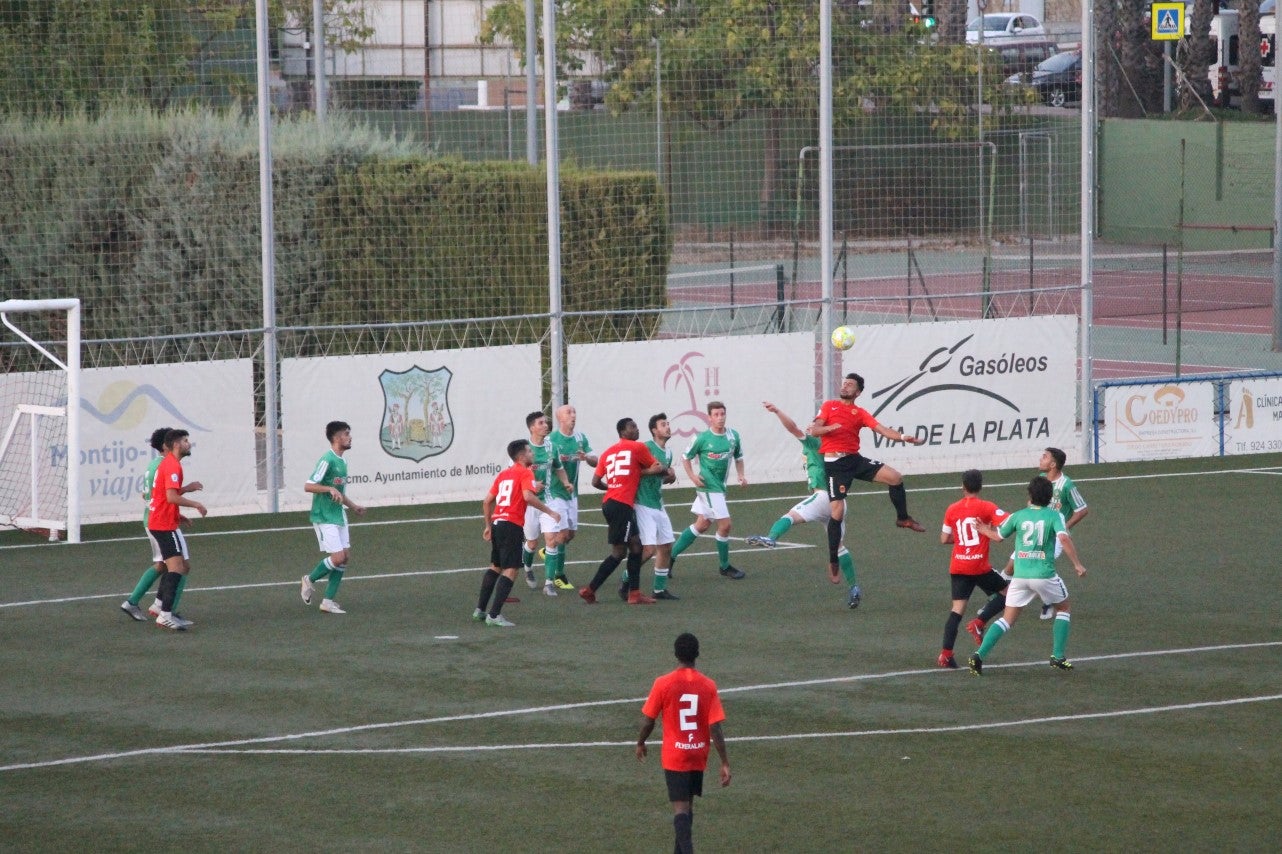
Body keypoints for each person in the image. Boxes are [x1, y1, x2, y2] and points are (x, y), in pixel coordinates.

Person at [809, 372, 926, 583]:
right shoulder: (829, 406)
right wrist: (829, 428)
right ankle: (833, 560)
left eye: (850, 384)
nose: (845, 386)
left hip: (854, 460)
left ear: (858, 392)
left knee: (895, 477)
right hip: (835, 466)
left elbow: (881, 429)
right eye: (844, 383)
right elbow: (814, 430)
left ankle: (903, 518)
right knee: (837, 512)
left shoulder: (860, 412)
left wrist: (902, 437)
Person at [968, 476, 1087, 675]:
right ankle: (1057, 656)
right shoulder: (1054, 516)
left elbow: (998, 537)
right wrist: (1077, 564)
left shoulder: (1018, 515)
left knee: (1007, 619)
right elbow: (1064, 538)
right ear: (1050, 498)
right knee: (1064, 607)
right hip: (1043, 575)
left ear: (1030, 495)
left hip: (1020, 576)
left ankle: (978, 655)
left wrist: (983, 529)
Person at [746, 401, 862, 608]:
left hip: (824, 497)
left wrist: (778, 410)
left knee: (790, 516)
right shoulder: (833, 448)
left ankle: (771, 538)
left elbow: (793, 428)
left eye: (814, 426)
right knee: (838, 547)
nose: (811, 427)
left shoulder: (816, 443)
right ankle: (854, 587)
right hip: (839, 502)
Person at [636, 632, 731, 854]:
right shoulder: (708, 685)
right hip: (698, 754)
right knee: (687, 808)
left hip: (675, 756)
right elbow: (715, 727)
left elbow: (649, 720)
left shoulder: (663, 683)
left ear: (676, 654)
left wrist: (640, 742)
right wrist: (725, 762)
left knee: (680, 810)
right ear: (697, 654)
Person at [979, 446, 1090, 624]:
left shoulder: (1066, 485)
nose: (1040, 459)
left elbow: (1082, 509)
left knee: (1038, 567)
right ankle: (997, 598)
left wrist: (1065, 526)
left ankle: (1047, 601)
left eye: (1044, 457)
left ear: (1053, 464)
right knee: (1010, 567)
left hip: (1053, 537)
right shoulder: (1040, 480)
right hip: (1035, 530)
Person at [579, 417, 669, 604]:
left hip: (609, 503)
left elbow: (595, 482)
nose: (637, 430)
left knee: (634, 547)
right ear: (623, 432)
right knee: (621, 552)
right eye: (633, 427)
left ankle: (632, 593)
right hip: (622, 505)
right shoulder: (637, 448)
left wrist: (613, 487)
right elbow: (658, 467)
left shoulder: (607, 452)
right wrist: (637, 474)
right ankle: (592, 589)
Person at [121, 426, 203, 621]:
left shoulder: (153, 465)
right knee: (178, 565)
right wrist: (187, 492)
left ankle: (147, 605)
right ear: (168, 446)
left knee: (164, 564)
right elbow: (166, 495)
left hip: (154, 517)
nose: (184, 443)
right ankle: (165, 610)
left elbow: (148, 494)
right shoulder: (165, 465)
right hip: (160, 521)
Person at [476, 439, 561, 627]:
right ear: (522, 456)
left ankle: (480, 610)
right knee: (511, 569)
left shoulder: (504, 474)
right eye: (530, 451)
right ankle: (494, 615)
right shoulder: (526, 472)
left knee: (496, 566)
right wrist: (550, 512)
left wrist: (488, 525)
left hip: (498, 523)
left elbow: (487, 501)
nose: (533, 454)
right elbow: (527, 497)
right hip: (511, 525)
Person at [937, 469, 1009, 669]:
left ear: (963, 486)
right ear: (980, 486)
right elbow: (1008, 522)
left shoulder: (952, 509)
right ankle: (979, 622)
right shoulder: (987, 507)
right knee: (1008, 593)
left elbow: (944, 539)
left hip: (958, 564)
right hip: (978, 565)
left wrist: (961, 539)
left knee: (957, 610)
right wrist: (989, 531)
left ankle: (946, 655)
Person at [669, 401, 747, 580]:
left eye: (722, 414)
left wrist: (741, 475)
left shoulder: (733, 436)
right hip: (707, 487)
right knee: (725, 525)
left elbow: (739, 457)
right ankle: (725, 566)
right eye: (716, 415)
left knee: (702, 524)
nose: (720, 418)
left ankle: (669, 558)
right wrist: (693, 477)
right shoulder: (702, 438)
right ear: (709, 417)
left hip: (720, 487)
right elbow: (685, 457)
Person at [300, 421, 366, 615]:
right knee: (337, 557)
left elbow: (338, 491)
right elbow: (308, 485)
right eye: (346, 434)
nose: (350, 437)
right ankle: (309, 580)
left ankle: (328, 602)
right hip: (324, 515)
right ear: (337, 438)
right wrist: (328, 488)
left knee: (345, 557)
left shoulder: (343, 461)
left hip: (339, 514)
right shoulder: (327, 460)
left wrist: (353, 506)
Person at [147, 429, 207, 631]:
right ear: (176, 445)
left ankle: (160, 607)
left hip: (162, 521)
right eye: (185, 440)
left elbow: (161, 496)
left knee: (178, 566)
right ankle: (165, 614)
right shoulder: (172, 465)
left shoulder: (169, 464)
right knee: (177, 568)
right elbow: (171, 497)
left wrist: (178, 515)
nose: (188, 444)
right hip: (162, 524)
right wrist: (196, 504)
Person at [619, 412, 680, 601]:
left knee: (667, 545)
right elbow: (632, 472)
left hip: (657, 503)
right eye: (663, 425)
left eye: (668, 424)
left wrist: (669, 475)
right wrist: (654, 471)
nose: (667, 427)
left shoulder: (668, 452)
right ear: (654, 430)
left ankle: (659, 590)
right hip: (642, 503)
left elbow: (662, 474)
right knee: (648, 550)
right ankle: (626, 578)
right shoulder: (644, 447)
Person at [546, 403, 597, 591]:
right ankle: (557, 575)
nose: (573, 415)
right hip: (556, 493)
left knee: (570, 535)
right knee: (562, 534)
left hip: (572, 494)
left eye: (574, 411)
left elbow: (595, 461)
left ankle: (550, 550)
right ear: (560, 418)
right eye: (569, 412)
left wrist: (587, 458)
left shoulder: (580, 438)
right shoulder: (551, 439)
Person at [521, 410, 571, 595]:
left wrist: (565, 482)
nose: (545, 425)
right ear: (531, 427)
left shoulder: (552, 447)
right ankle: (527, 568)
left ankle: (549, 583)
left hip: (550, 500)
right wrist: (533, 485)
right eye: (541, 423)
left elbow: (559, 467)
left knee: (552, 539)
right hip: (529, 503)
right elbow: (515, 477)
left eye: (546, 422)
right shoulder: (523, 450)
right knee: (532, 543)